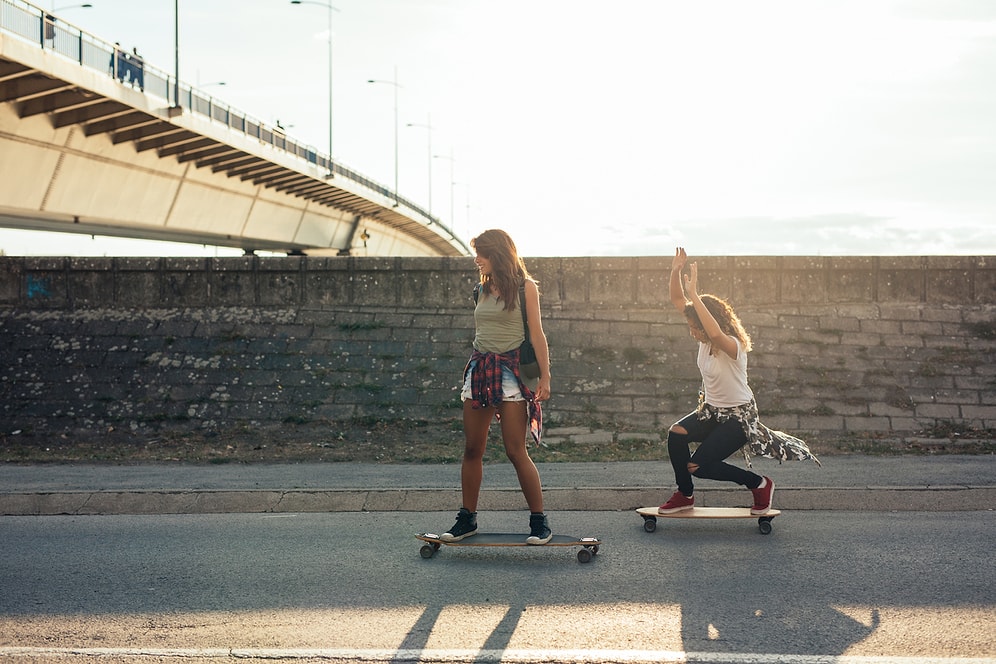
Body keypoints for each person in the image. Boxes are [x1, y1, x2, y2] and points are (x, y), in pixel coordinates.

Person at [659, 247, 819, 516]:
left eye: (695, 327)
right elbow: (677, 299)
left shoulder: (732, 345)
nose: (692, 332)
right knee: (676, 435)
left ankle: (759, 483)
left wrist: (696, 294)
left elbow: (713, 331)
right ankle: (685, 495)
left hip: (738, 419)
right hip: (711, 411)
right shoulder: (704, 339)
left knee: (699, 466)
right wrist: (676, 270)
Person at [439, 229, 553, 544]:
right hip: (479, 371)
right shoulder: (480, 289)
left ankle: (539, 522)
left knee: (516, 451)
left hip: (511, 374)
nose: (477, 260)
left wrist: (545, 377)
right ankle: (467, 519)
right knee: (472, 448)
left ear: (497, 255)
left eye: (481, 254)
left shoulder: (525, 288)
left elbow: (537, 335)